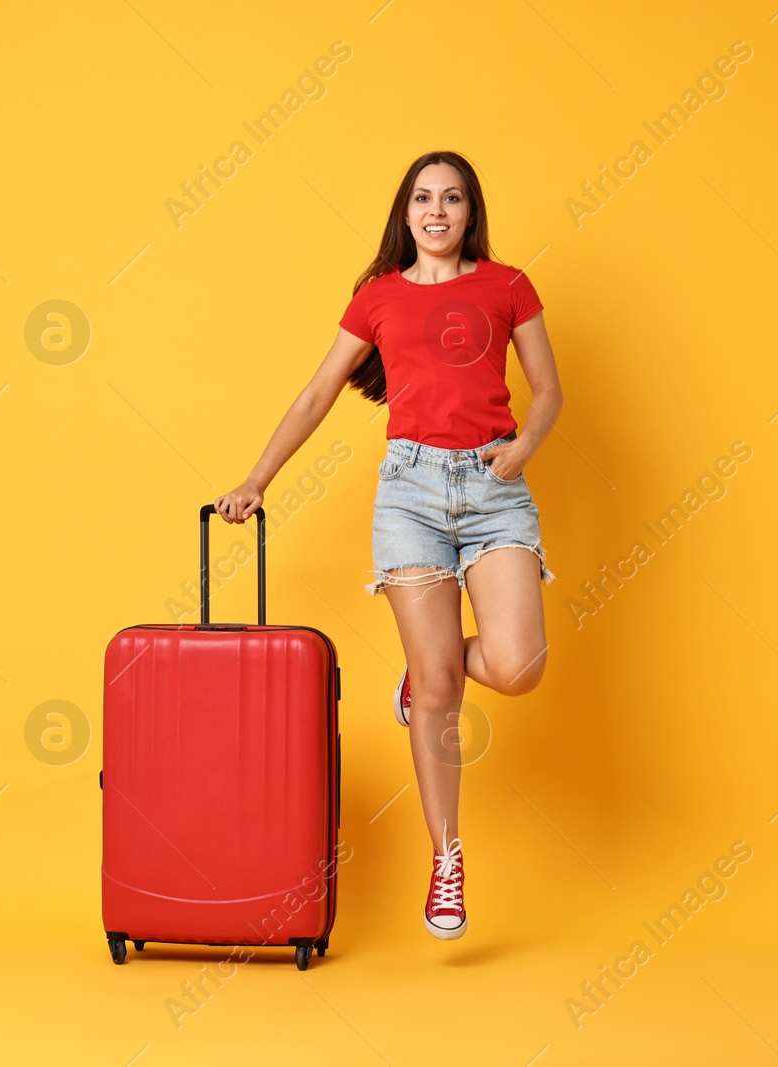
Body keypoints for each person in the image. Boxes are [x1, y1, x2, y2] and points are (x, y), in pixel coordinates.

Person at [213, 150, 563, 941]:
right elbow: (317, 393)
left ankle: (427, 663)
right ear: (404, 214)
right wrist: (256, 479)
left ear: (471, 211)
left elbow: (549, 388)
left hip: (494, 485)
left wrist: (526, 446)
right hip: (409, 493)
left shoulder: (509, 286)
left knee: (517, 666)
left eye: (452, 199)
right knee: (441, 689)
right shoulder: (376, 296)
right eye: (422, 199)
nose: (437, 211)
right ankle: (447, 857)